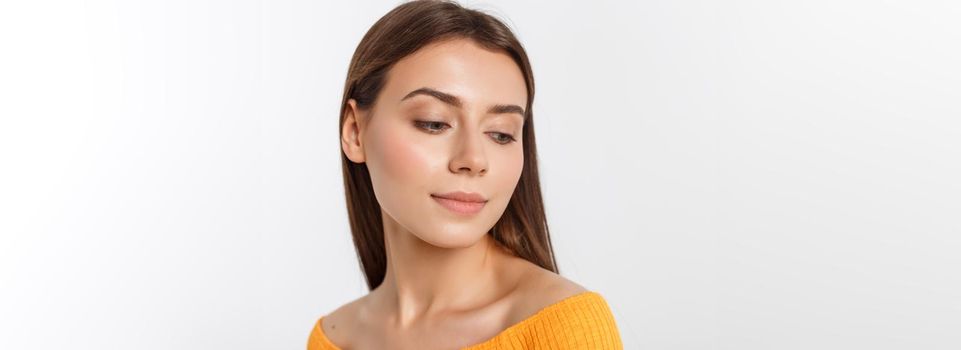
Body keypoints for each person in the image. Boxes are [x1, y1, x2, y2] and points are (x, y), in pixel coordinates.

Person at [308, 1, 623, 348]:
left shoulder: (564, 327)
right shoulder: (332, 338)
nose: (473, 159)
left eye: (501, 133)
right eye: (434, 123)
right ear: (354, 132)